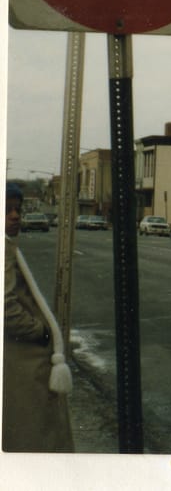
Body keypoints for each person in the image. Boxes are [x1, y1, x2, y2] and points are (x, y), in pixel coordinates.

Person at [5, 182, 74, 452]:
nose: (15, 216)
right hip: (23, 364)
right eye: (7, 210)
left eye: (17, 210)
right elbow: (6, 308)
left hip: (16, 364)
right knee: (37, 439)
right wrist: (41, 332)